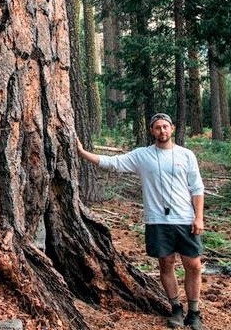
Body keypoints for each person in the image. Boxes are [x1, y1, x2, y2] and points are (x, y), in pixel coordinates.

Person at [77, 113, 204, 329]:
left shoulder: (186, 155)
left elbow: (197, 188)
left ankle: (194, 312)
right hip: (157, 221)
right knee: (166, 264)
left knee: (194, 265)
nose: (162, 131)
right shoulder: (142, 156)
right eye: (157, 127)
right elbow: (112, 162)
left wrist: (198, 217)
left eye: (165, 126)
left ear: (172, 129)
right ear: (151, 131)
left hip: (185, 219)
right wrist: (82, 153)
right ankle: (176, 309)